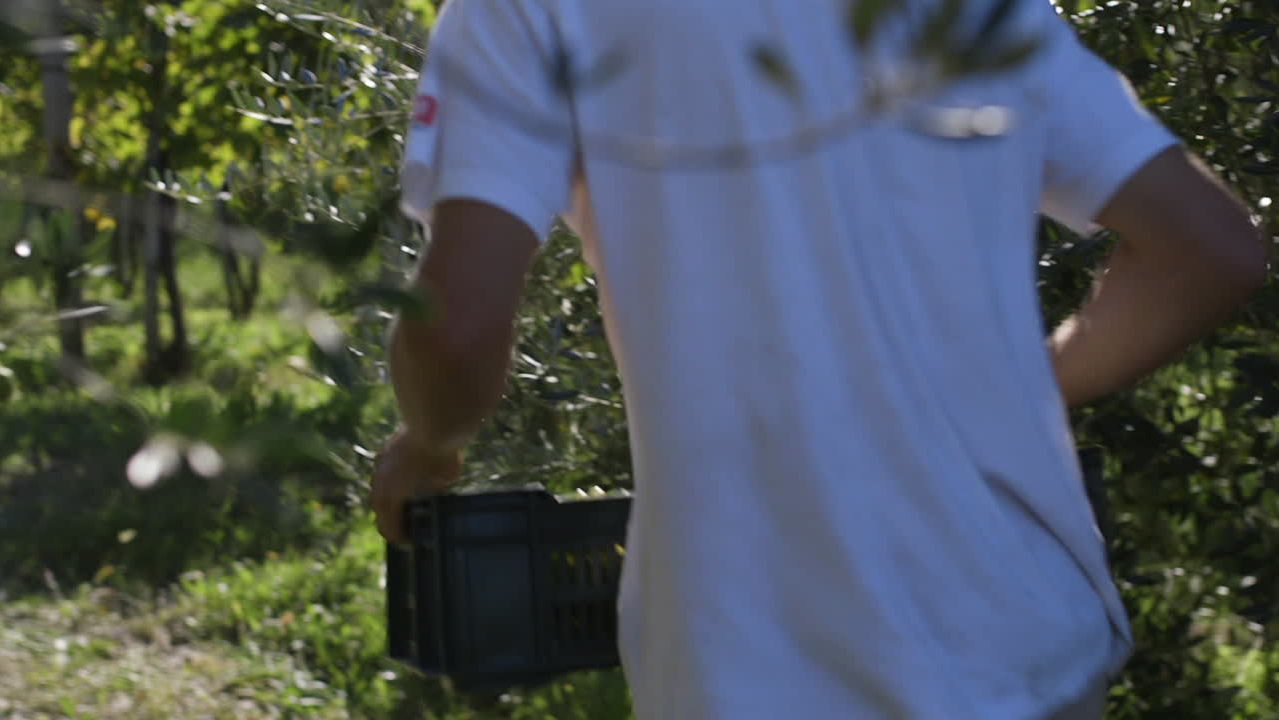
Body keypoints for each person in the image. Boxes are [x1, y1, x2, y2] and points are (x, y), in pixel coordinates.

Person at [370, 0, 1268, 717]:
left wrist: (428, 447)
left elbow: (456, 331)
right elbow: (1210, 250)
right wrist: (1019, 391)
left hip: (757, 670)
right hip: (1026, 646)